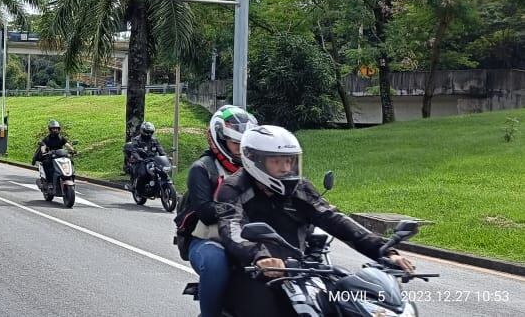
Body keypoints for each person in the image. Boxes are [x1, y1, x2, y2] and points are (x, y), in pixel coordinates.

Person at [215, 125, 415, 317]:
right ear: (254, 160)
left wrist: (385, 251)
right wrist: (259, 256)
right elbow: (232, 227)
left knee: (341, 302)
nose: (285, 168)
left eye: (289, 161)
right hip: (253, 271)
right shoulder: (234, 188)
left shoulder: (300, 188)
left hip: (302, 269)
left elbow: (334, 219)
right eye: (276, 161)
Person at [173, 105, 257, 317]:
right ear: (220, 140)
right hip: (208, 240)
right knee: (215, 263)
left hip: (250, 238)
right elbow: (206, 213)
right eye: (236, 144)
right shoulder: (203, 169)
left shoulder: (257, 168)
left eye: (245, 144)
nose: (241, 149)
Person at [123, 121, 166, 190]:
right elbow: (134, 150)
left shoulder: (154, 140)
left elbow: (160, 148)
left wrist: (164, 156)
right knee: (143, 174)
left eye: (150, 132)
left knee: (161, 171)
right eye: (147, 132)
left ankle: (156, 185)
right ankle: (134, 186)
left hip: (153, 160)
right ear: (142, 130)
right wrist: (138, 157)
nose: (149, 134)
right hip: (141, 160)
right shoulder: (136, 140)